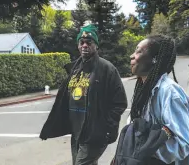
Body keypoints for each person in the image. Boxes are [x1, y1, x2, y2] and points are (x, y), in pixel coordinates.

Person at [40, 24, 128, 165]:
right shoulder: (75, 69)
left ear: (96, 46)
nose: (85, 45)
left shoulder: (107, 69)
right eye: (82, 42)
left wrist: (105, 127)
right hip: (77, 133)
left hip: (95, 133)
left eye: (89, 42)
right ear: (78, 45)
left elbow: (120, 102)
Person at [128, 35, 189, 165]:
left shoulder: (169, 92)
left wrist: (143, 152)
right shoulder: (143, 90)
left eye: (138, 51)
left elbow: (182, 145)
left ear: (154, 59)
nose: (132, 56)